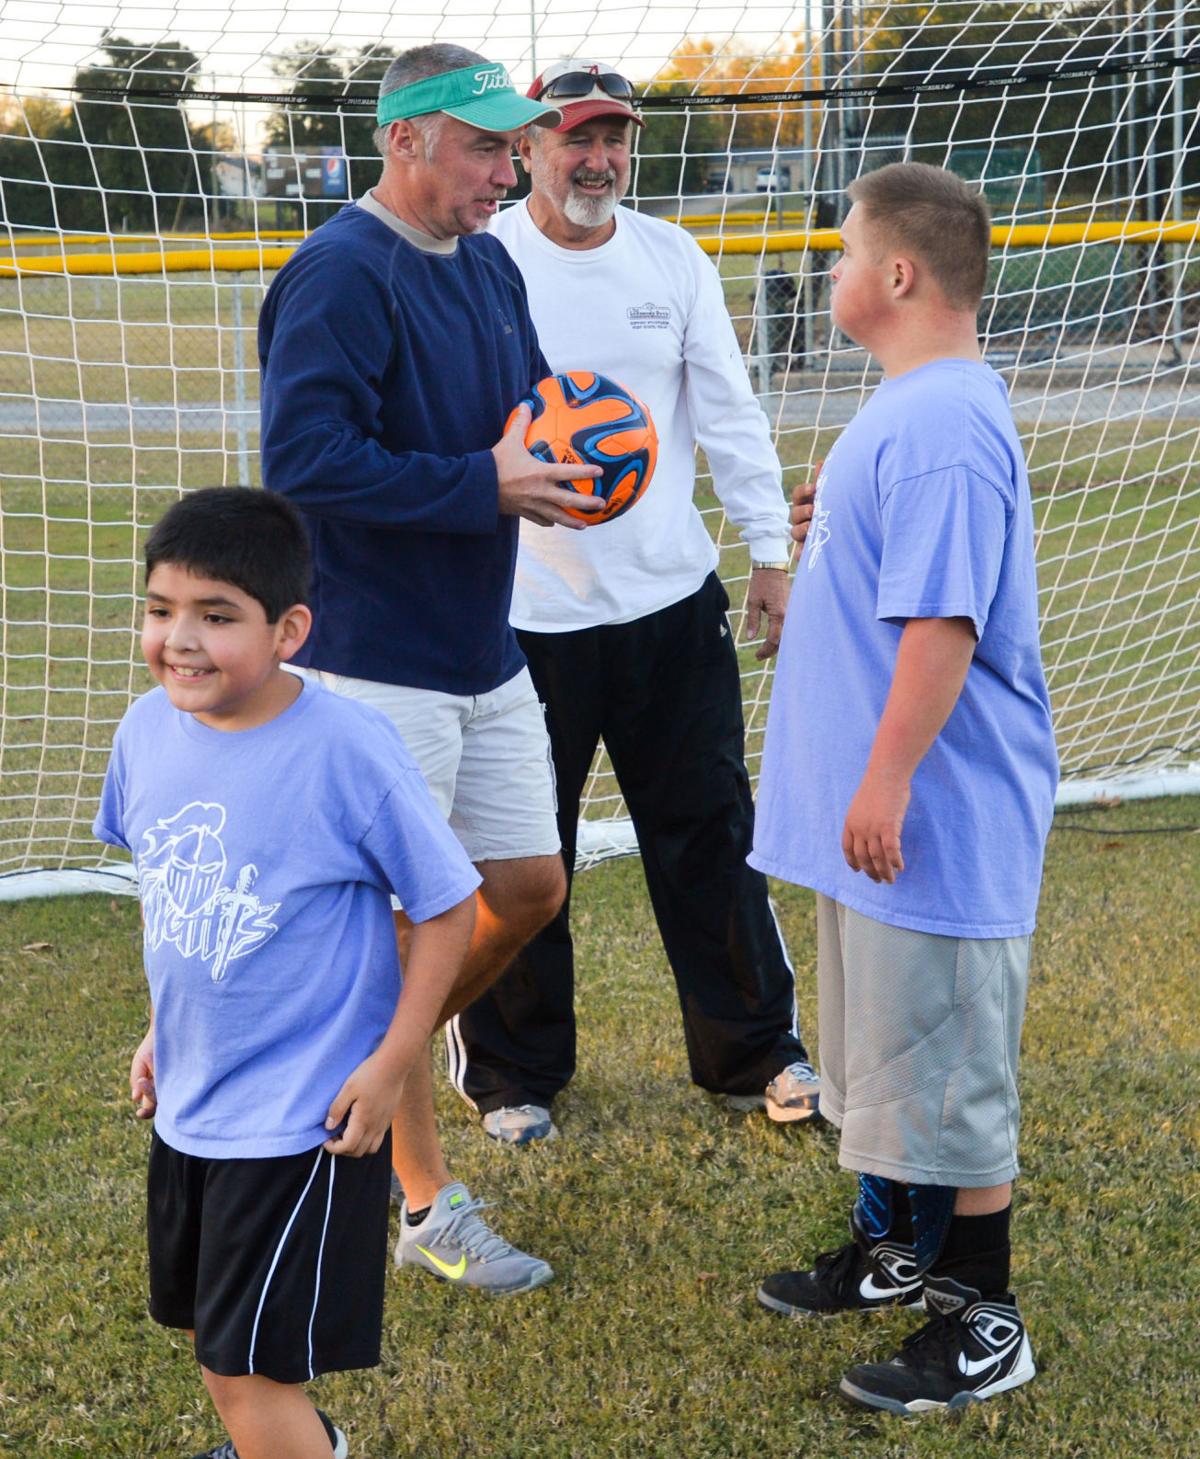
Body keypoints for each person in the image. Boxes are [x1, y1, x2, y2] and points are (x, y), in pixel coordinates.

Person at [257, 45, 603, 1290]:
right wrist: (483, 484)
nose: (508, 172)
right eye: (483, 148)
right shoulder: (340, 274)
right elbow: (300, 461)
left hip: (480, 644)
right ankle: (424, 1205)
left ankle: (363, 1063)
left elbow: (522, 412)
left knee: (526, 884)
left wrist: (577, 451)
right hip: (373, 660)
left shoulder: (495, 260)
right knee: (413, 915)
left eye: (514, 148)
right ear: (405, 141)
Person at [450, 60, 820, 1147]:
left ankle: (756, 1052)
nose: (598, 158)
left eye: (615, 138)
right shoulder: (482, 260)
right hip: (521, 615)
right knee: (524, 850)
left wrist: (768, 551)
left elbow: (730, 407)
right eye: (576, 139)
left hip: (668, 603)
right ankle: (513, 1074)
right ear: (529, 150)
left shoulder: (673, 256)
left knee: (709, 834)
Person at [749, 163, 1059, 1413]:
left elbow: (943, 625)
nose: (827, 273)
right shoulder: (908, 409)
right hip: (875, 829)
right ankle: (895, 1252)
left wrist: (884, 782)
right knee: (883, 1057)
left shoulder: (937, 422)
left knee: (949, 1072)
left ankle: (987, 1319)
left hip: (926, 821)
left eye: (840, 252)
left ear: (896, 274)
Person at [93, 488, 481, 1459]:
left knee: (243, 1371)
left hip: (299, 1120)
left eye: (217, 615)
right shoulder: (145, 732)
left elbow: (447, 906)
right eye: (161, 608)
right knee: (208, 1330)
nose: (180, 639)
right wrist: (159, 1030)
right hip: (194, 1101)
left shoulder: (345, 750)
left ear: (289, 630)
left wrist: (394, 1062)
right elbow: (180, 905)